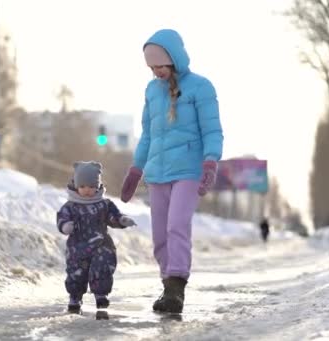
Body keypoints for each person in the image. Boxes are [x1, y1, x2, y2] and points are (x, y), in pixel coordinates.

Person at [120, 29, 224, 314]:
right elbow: (147, 135)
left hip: (188, 170)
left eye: (160, 66)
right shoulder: (152, 91)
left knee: (177, 225)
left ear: (175, 60)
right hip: (157, 172)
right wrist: (135, 170)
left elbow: (212, 130)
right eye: (152, 67)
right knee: (159, 236)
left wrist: (210, 161)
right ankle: (168, 286)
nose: (156, 72)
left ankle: (177, 288)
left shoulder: (201, 87)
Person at [57, 161, 136, 313]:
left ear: (98, 186)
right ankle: (75, 297)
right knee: (76, 272)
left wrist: (121, 220)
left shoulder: (104, 204)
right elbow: (62, 218)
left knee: (102, 268)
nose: (87, 190)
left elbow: (113, 216)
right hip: (77, 246)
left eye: (92, 186)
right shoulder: (71, 206)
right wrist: (65, 226)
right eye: (83, 186)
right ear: (76, 185)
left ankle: (101, 295)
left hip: (101, 245)